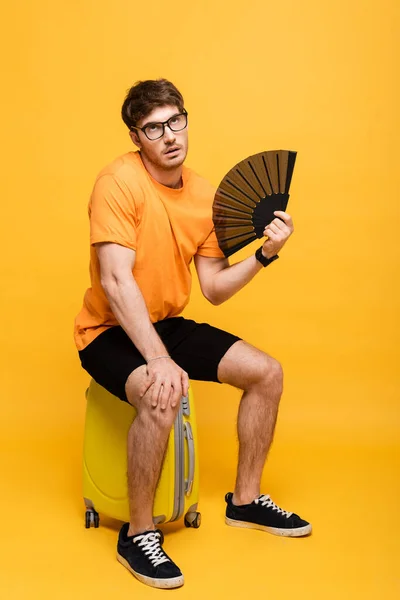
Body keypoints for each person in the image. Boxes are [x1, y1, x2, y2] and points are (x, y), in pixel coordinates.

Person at [74, 79, 311, 590]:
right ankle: (138, 535)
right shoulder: (117, 182)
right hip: (108, 330)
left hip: (164, 323)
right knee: (162, 394)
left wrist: (264, 255)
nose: (169, 135)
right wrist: (158, 361)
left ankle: (245, 502)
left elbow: (215, 288)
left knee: (267, 373)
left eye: (175, 120)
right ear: (137, 137)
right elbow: (116, 282)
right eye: (153, 128)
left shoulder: (205, 195)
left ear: (185, 119)